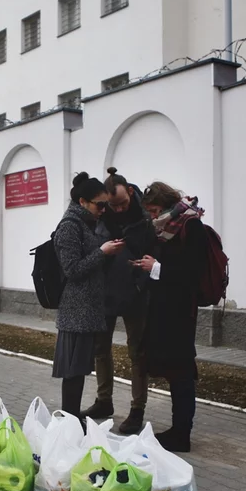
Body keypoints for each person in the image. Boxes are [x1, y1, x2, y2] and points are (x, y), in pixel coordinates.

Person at [133, 182, 208, 453]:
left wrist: (157, 268)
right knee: (176, 373)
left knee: (182, 373)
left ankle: (182, 434)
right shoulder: (167, 229)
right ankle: (178, 430)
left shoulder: (190, 226)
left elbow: (191, 274)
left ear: (165, 206)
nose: (152, 217)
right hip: (166, 310)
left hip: (180, 313)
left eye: (154, 211)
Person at [82, 167, 156, 434]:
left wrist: (140, 285)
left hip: (136, 295)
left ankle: (137, 410)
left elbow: (154, 255)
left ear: (131, 193)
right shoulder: (101, 216)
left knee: (137, 353)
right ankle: (104, 402)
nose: (119, 209)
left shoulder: (146, 218)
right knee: (101, 349)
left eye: (123, 203)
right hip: (106, 294)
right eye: (113, 205)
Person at [53, 172, 125, 421]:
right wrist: (103, 252)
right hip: (75, 312)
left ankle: (72, 419)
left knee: (79, 370)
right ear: (83, 202)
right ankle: (70, 420)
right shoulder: (69, 227)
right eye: (100, 205)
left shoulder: (85, 224)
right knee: (73, 371)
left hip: (86, 310)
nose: (103, 210)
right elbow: (72, 269)